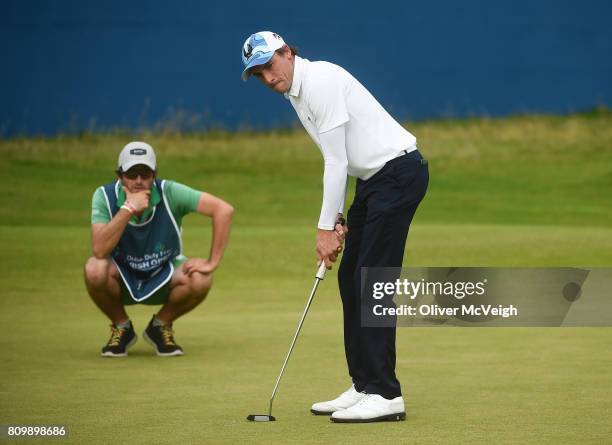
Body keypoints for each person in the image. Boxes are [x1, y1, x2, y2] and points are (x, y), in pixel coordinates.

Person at [241, 31, 429, 423]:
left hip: (396, 174)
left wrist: (326, 228)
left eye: (270, 65)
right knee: (350, 279)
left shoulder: (320, 80)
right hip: (374, 182)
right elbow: (338, 156)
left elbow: (335, 163)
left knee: (370, 281)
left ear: (288, 52)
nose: (268, 77)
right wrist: (339, 217)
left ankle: (386, 394)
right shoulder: (298, 91)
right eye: (259, 73)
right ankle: (364, 385)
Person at [84, 141, 233, 357]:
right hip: (121, 275)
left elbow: (223, 210)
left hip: (164, 272)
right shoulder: (104, 196)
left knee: (201, 278)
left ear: (154, 175)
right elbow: (99, 250)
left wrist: (213, 261)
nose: (138, 181)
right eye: (132, 174)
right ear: (120, 176)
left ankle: (160, 326)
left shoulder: (169, 192)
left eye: (145, 174)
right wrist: (128, 208)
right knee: (94, 269)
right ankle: (121, 327)